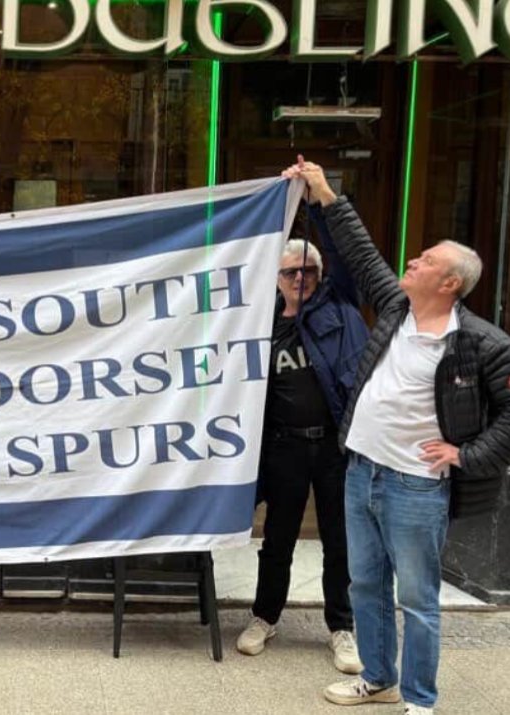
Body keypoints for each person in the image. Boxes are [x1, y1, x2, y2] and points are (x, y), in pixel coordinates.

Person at [290, 158, 510, 715]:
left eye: (427, 259)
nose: (413, 260)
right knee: (365, 587)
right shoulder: (395, 309)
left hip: (416, 487)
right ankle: (378, 677)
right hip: (361, 472)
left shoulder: (482, 344)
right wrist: (322, 192)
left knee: (416, 600)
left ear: (450, 282)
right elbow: (362, 254)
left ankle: (418, 699)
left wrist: (468, 453)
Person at [236, 208, 367, 675]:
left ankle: (342, 628)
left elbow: (346, 258)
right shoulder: (260, 322)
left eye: (308, 271)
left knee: (340, 539)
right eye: (290, 271)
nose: (299, 278)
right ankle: (264, 617)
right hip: (283, 446)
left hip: (335, 446)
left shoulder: (338, 309)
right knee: (278, 538)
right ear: (275, 277)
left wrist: (320, 203)